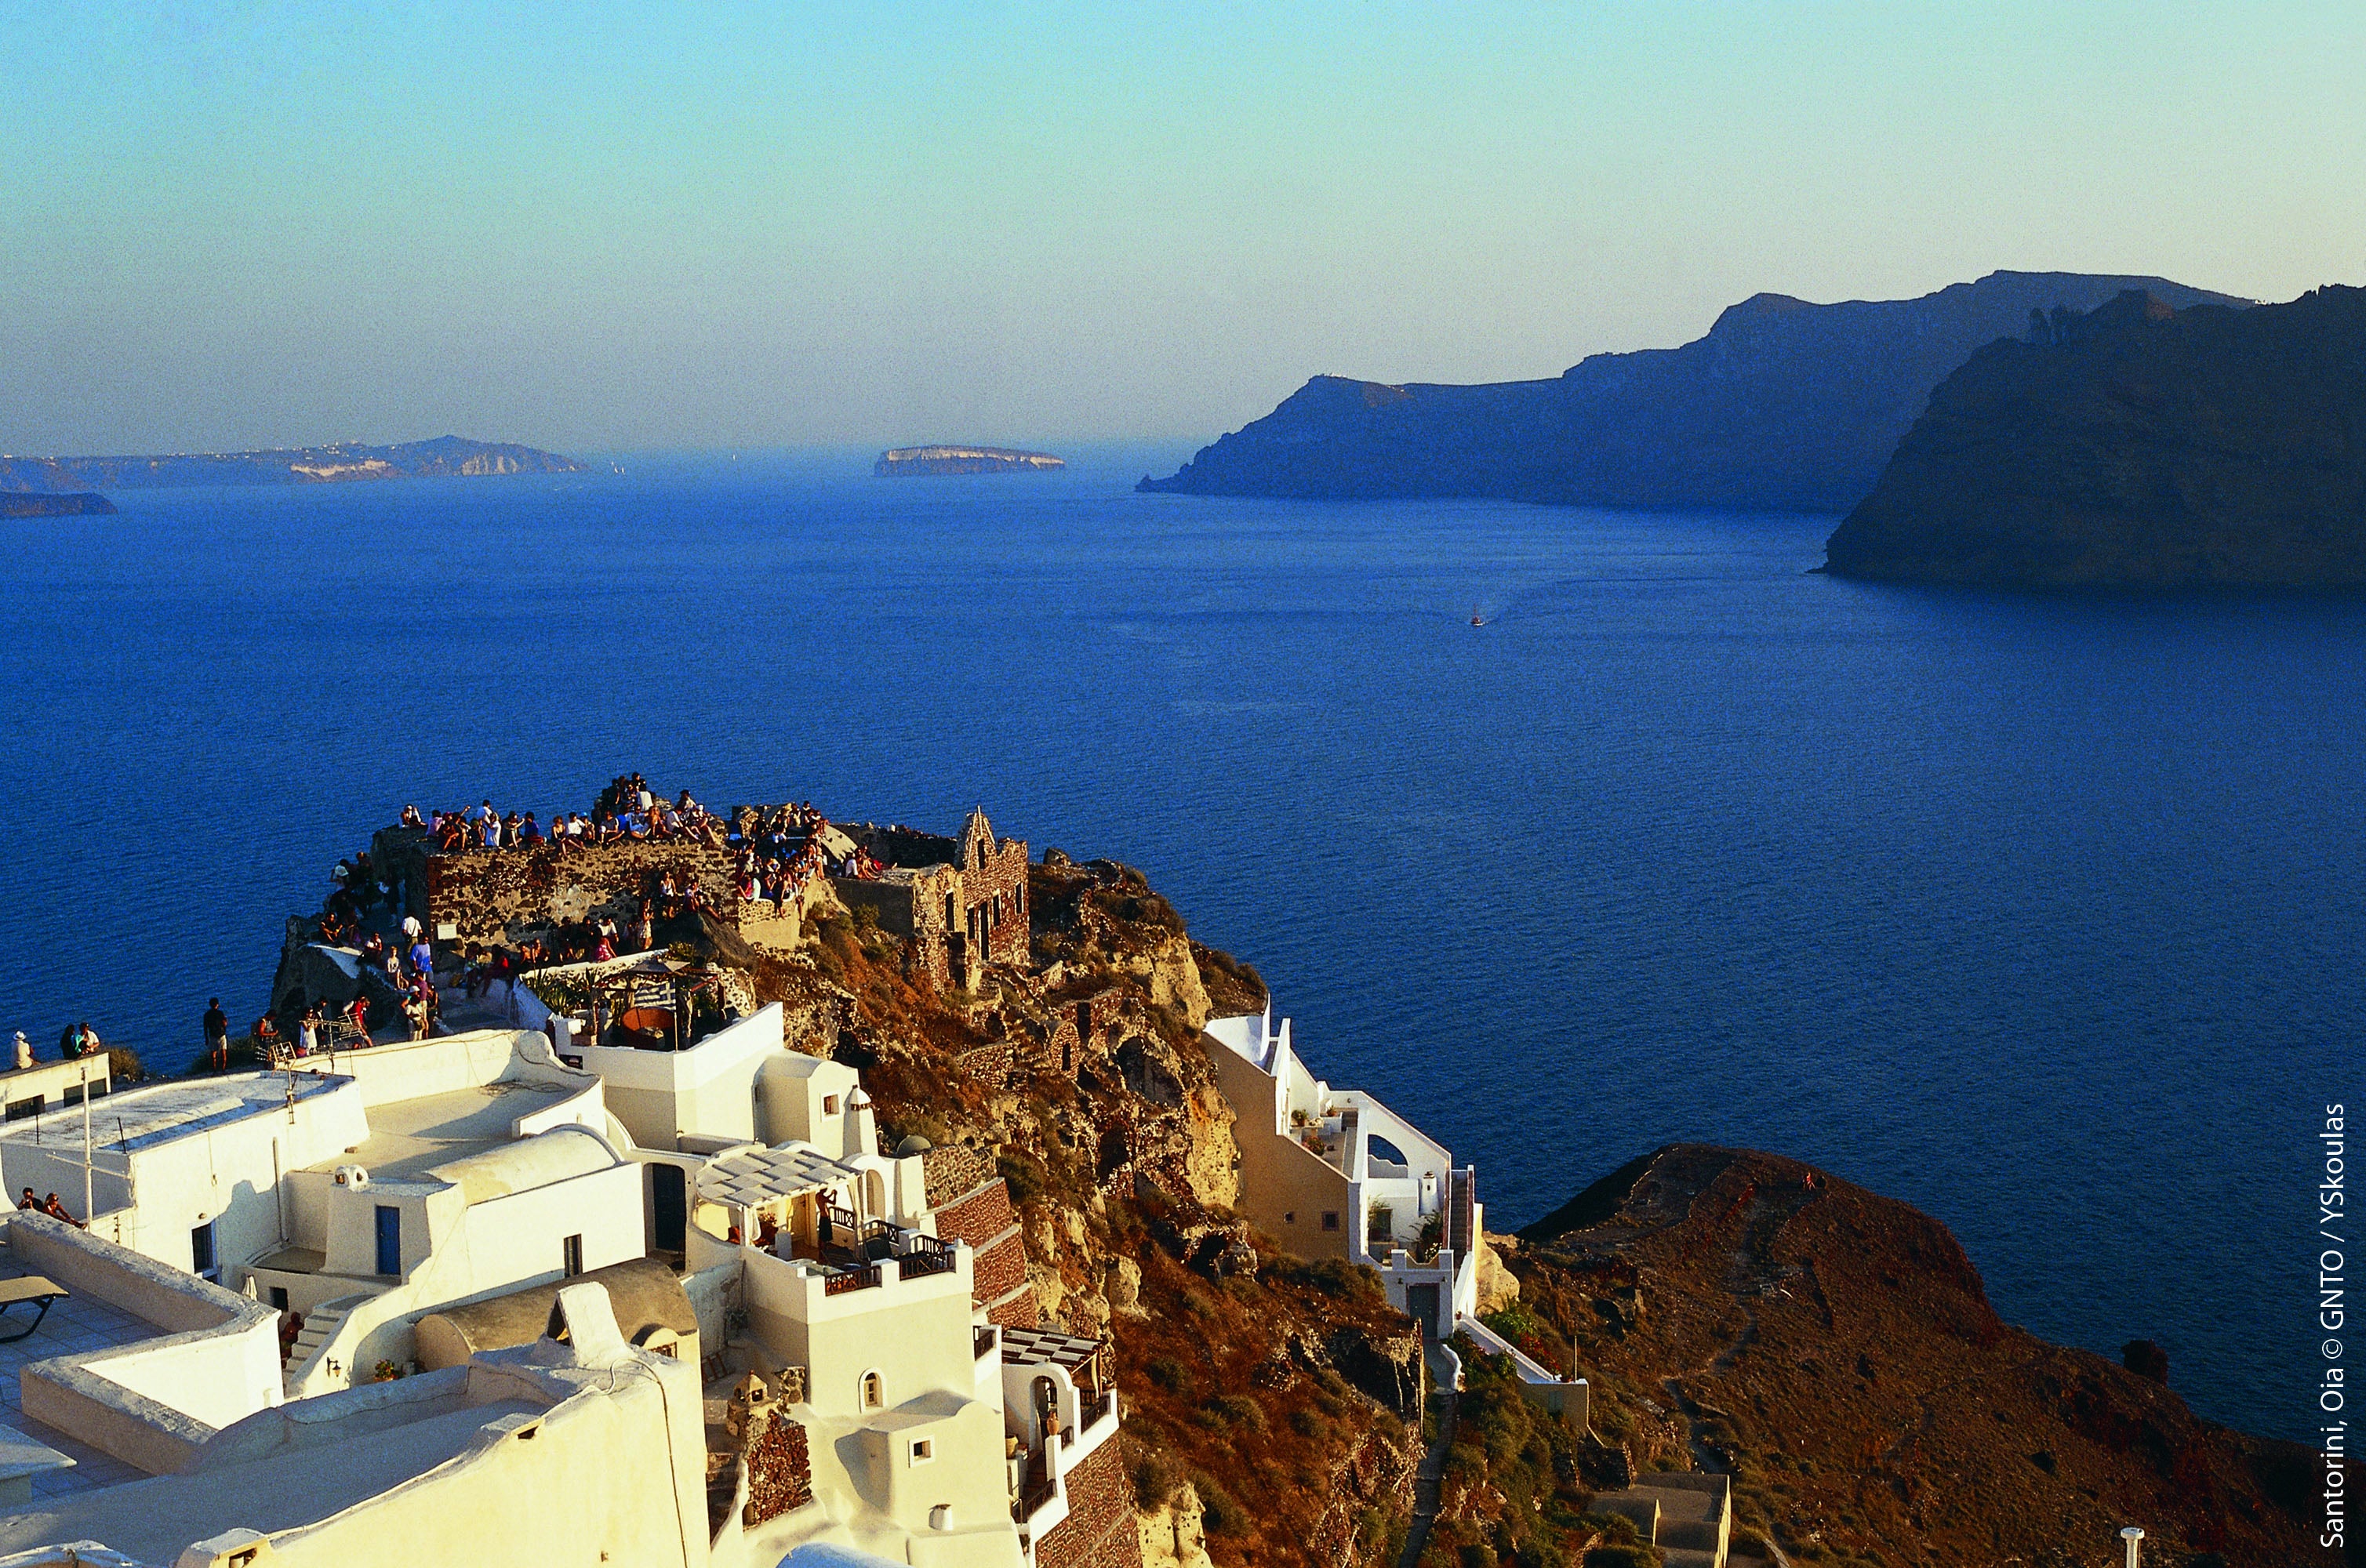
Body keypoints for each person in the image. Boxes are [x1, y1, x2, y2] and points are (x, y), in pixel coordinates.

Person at [203, 997, 230, 1071]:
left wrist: (206, 1038)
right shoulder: (220, 1013)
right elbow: (224, 1024)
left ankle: (214, 1070)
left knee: (213, 1054)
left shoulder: (207, 1015)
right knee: (223, 1053)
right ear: (217, 1005)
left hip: (212, 1035)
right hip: (221, 1034)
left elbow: (205, 1027)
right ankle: (223, 1069)